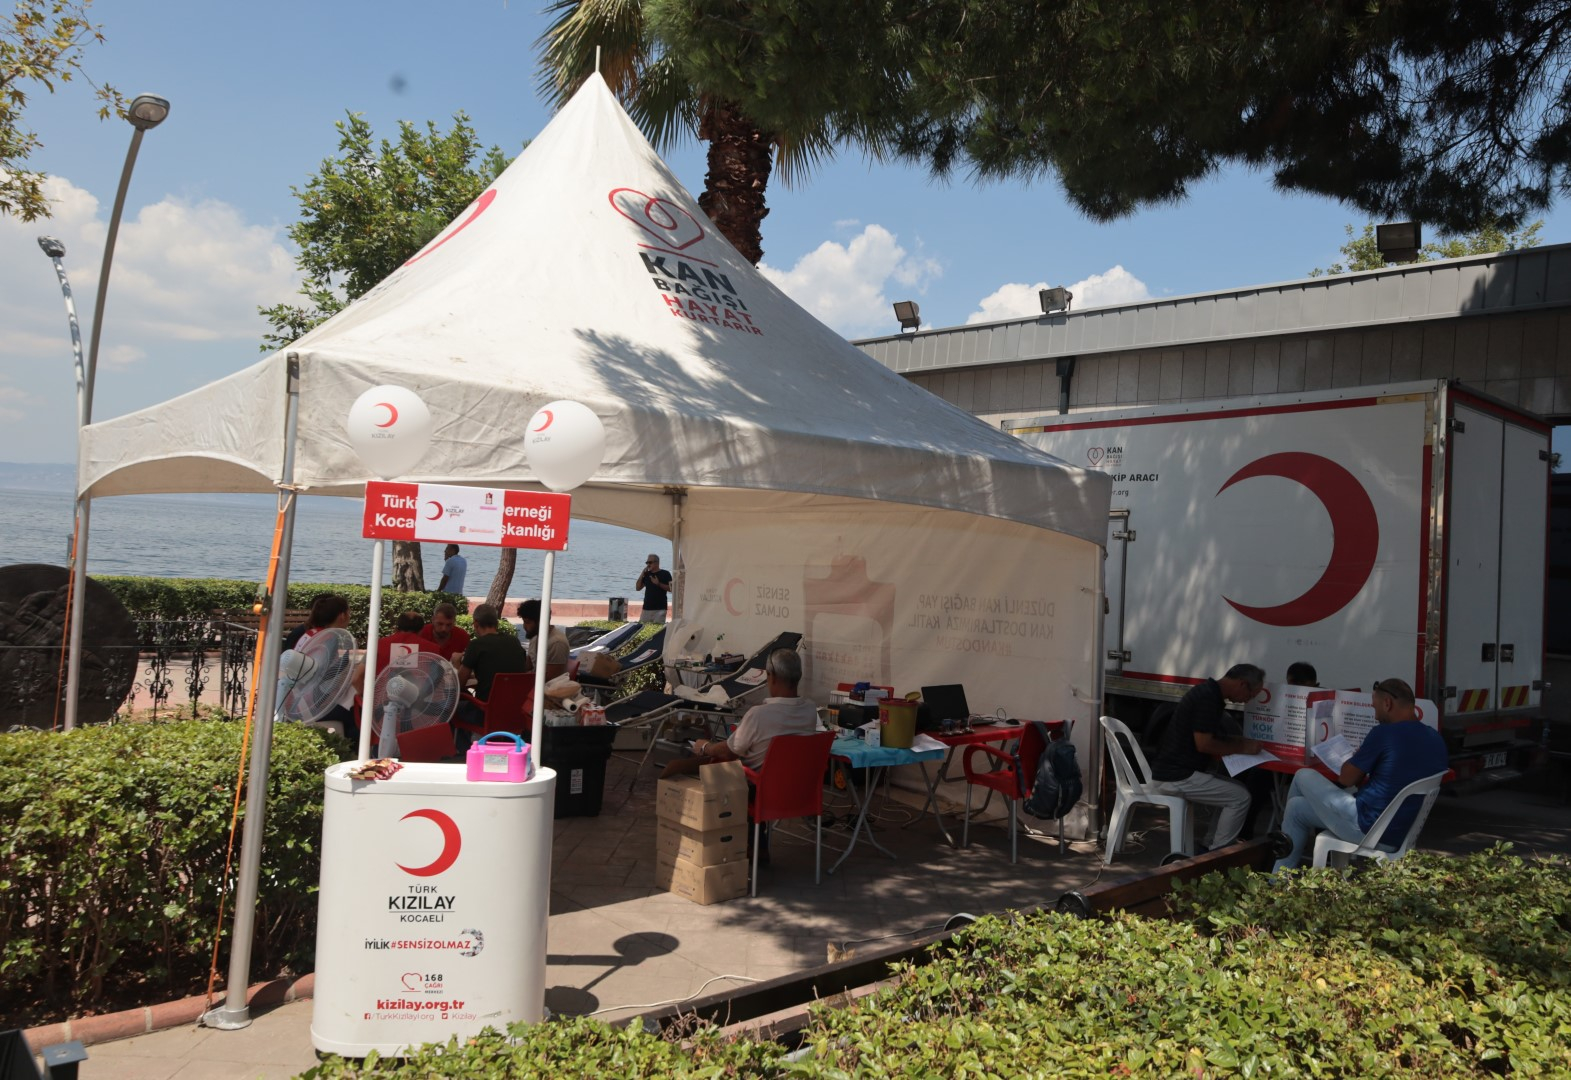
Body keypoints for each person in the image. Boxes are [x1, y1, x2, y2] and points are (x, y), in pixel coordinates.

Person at [1272, 677, 1448, 872]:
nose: (1375, 716)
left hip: (1367, 829)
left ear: (1387, 703)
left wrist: (1356, 758)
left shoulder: (1384, 733)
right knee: (1295, 808)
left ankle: (1280, 845)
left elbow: (1346, 779)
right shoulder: (1435, 738)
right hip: (1400, 833)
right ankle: (1277, 876)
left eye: (1375, 708)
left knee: (1302, 775)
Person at [1148, 663, 1267, 852]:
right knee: (1240, 798)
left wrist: (1236, 741)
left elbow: (1208, 736)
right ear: (1242, 684)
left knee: (1236, 789)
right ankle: (1218, 853)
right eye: (1251, 695)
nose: (1247, 701)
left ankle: (1210, 844)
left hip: (1176, 771)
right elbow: (1204, 744)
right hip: (1175, 776)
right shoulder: (1208, 699)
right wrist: (1242, 747)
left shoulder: (1209, 693)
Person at [661, 649, 816, 777]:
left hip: (755, 787)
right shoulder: (810, 710)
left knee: (681, 767)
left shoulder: (759, 715)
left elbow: (728, 752)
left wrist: (705, 747)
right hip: (796, 788)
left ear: (772, 677)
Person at [517, 599, 569, 683]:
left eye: (527, 622)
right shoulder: (535, 637)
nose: (524, 626)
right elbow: (528, 666)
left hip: (549, 689)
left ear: (541, 622)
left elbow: (552, 677)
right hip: (533, 684)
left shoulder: (557, 642)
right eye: (524, 622)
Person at [283, 593, 350, 652]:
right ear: (342, 616)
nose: (350, 616)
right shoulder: (328, 638)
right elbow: (326, 662)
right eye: (349, 613)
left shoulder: (312, 632)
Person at [636, 554, 671, 623]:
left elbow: (671, 589)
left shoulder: (665, 574)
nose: (648, 565)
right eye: (647, 563)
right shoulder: (647, 574)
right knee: (642, 627)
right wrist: (642, 573)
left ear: (657, 563)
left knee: (657, 628)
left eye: (650, 562)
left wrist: (658, 584)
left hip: (660, 609)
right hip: (646, 608)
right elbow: (638, 588)